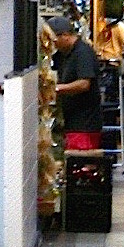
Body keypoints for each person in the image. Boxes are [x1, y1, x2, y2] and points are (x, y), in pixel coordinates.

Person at [48, 16, 104, 150]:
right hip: (72, 120)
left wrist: (55, 89)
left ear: (65, 35)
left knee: (82, 162)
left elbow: (84, 84)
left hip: (84, 123)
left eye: (53, 40)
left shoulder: (82, 53)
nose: (52, 44)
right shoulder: (63, 54)